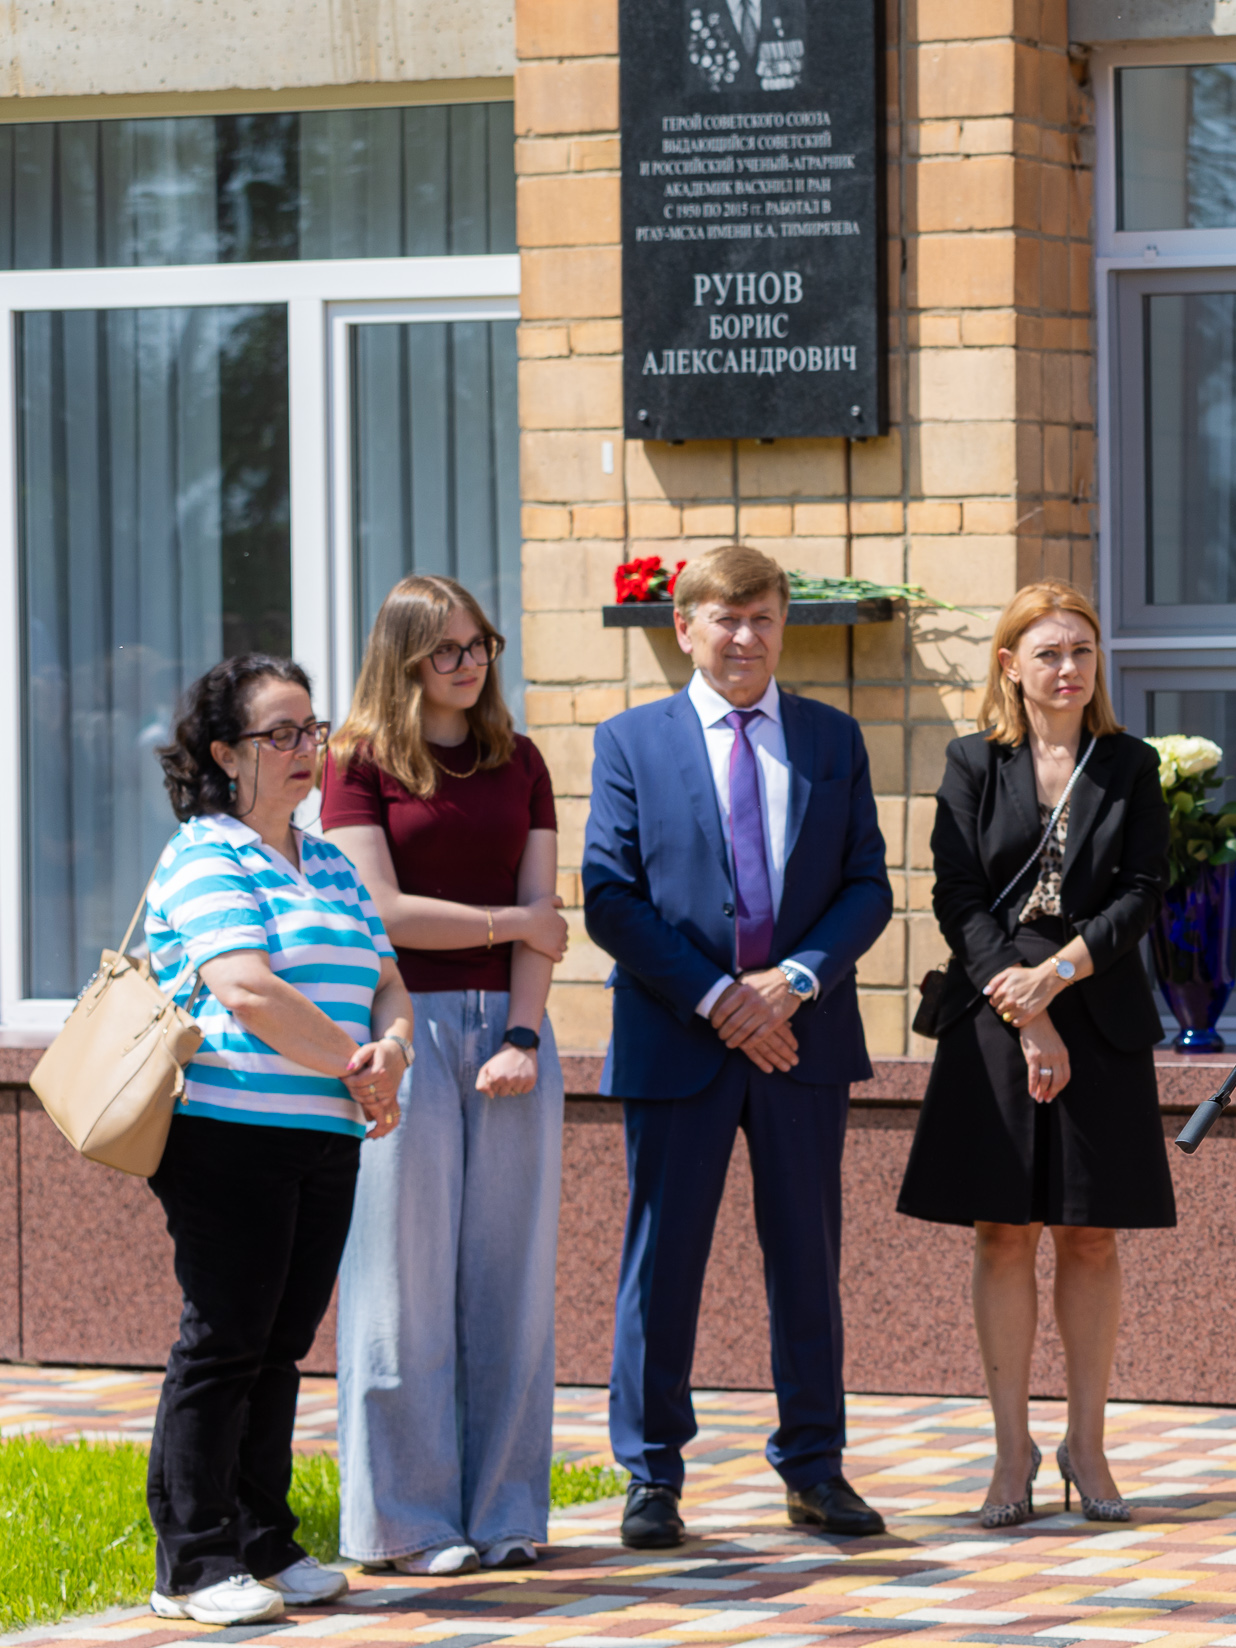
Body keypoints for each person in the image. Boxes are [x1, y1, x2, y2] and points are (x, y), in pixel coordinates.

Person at [581, 543, 894, 1549]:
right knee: (663, 1261)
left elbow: (868, 886)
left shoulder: (832, 738)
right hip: (679, 1036)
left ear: (783, 625)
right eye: (726, 617)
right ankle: (651, 1474)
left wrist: (793, 982)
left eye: (763, 617)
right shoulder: (630, 741)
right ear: (684, 628)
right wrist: (720, 997)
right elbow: (608, 896)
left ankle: (815, 1466)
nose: (746, 637)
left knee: (807, 1256)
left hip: (802, 1039)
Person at [141, 655, 414, 1626]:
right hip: (229, 1129)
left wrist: (391, 1049)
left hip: (324, 1133)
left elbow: (388, 978)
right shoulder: (204, 853)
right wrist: (358, 1065)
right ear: (226, 753)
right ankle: (192, 1561)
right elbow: (245, 986)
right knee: (225, 1341)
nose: (307, 749)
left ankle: (263, 1539)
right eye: (281, 733)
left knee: (281, 1346)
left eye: (313, 730)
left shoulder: (329, 860)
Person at [899, 582, 1175, 1529]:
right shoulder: (973, 761)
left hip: (1098, 1010)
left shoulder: (1130, 764)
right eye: (1049, 653)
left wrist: (1056, 977)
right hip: (993, 1014)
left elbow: (1142, 893)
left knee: (1091, 1236)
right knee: (1003, 1230)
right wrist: (1023, 1006)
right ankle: (1011, 1449)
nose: (1068, 669)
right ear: (1010, 665)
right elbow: (957, 896)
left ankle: (1085, 1443)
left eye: (1082, 652)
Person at [322, 577, 569, 1576]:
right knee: (400, 1282)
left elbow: (548, 917)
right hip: (404, 1028)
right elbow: (378, 910)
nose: (468, 664)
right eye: (446, 649)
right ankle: (407, 1524)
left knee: (512, 1286)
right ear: (405, 657)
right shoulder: (357, 763)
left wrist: (524, 1034)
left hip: (511, 1033)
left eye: (479, 645)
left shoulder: (522, 760)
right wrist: (506, 925)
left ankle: (506, 1512)